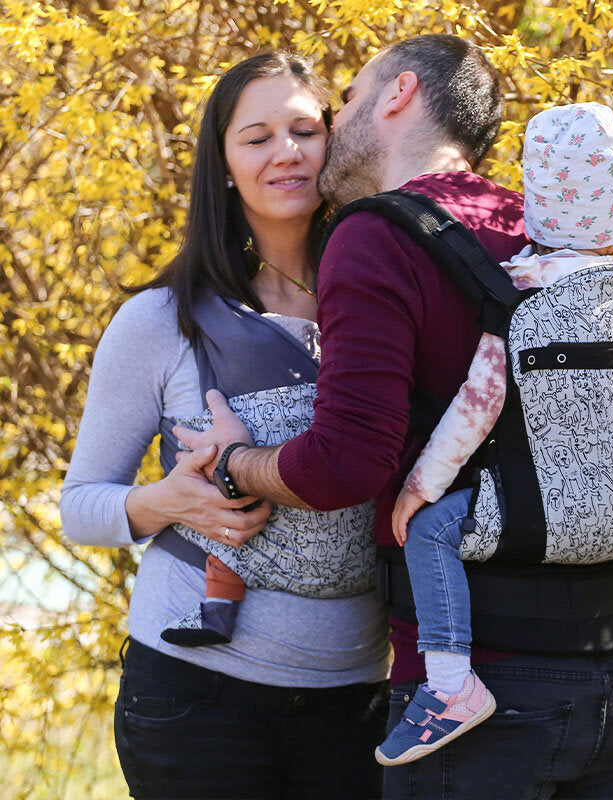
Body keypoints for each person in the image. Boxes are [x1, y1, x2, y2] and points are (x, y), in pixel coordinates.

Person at [177, 35, 613, 799]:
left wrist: (236, 465)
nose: (333, 123)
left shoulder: (376, 236)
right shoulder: (548, 230)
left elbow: (344, 465)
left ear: (398, 93)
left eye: (348, 98)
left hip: (482, 695)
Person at [60, 51, 389, 800]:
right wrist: (166, 502)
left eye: (305, 130)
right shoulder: (160, 319)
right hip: (197, 700)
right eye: (257, 137)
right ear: (224, 165)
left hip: (359, 703)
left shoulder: (385, 303)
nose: (287, 153)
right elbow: (80, 506)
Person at [376, 101, 613, 765]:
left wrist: (419, 487)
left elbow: (478, 406)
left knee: (429, 532)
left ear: (537, 201)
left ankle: (451, 686)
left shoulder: (518, 296)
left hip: (541, 520)